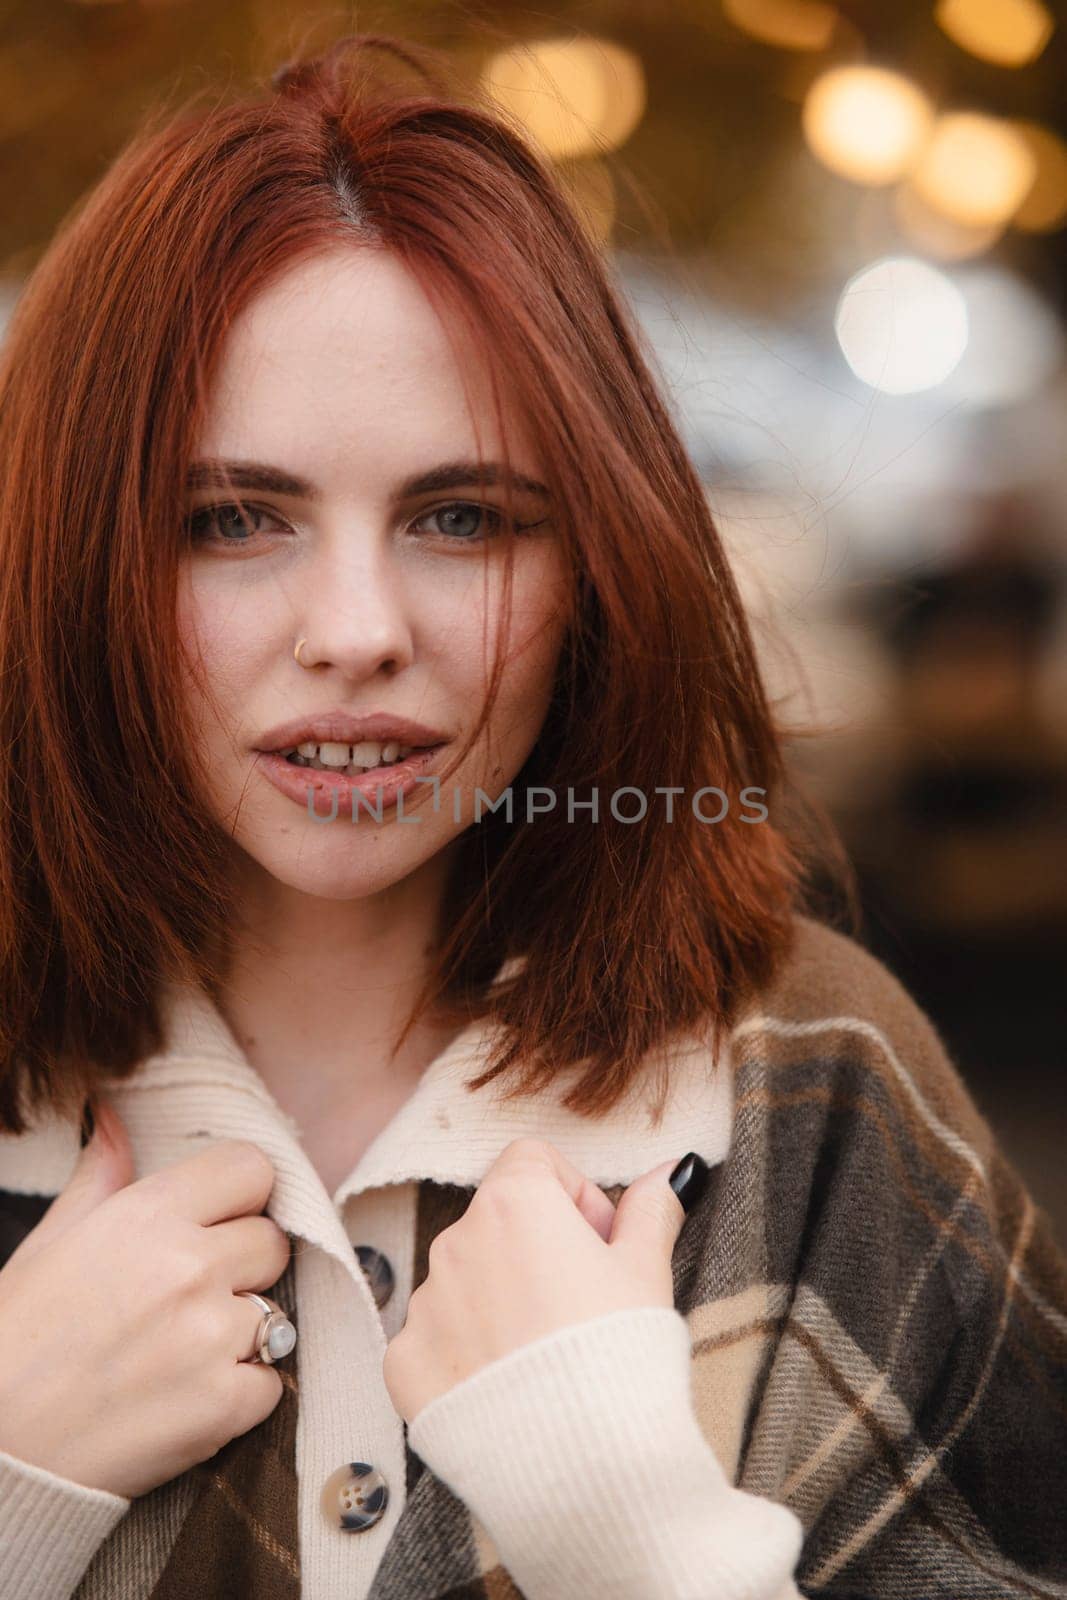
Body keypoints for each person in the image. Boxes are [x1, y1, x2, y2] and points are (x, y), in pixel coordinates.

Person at [0, 33, 1063, 1600]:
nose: (357, 629)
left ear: (594, 571)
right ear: (75, 556)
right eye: (232, 519)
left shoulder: (811, 1094)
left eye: (459, 518)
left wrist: (627, 1532)